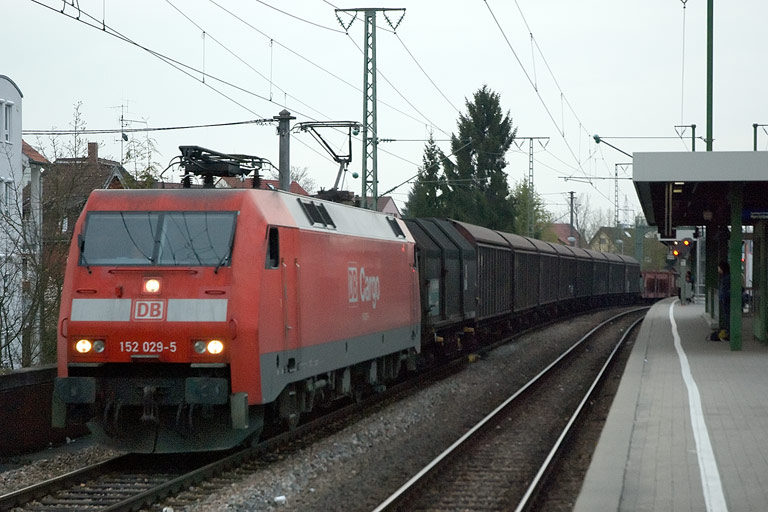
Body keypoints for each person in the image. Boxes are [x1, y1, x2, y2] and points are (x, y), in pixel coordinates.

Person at [712, 261, 730, 341]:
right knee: (727, 316)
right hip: (725, 299)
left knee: (728, 316)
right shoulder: (725, 277)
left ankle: (729, 333)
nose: (718, 269)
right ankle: (728, 333)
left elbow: (725, 290)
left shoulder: (726, 278)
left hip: (727, 300)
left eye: (719, 268)